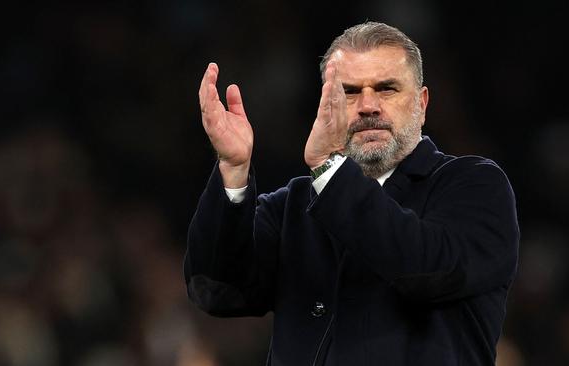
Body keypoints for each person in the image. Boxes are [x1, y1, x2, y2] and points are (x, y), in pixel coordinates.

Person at [184, 21, 519, 366]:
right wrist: (234, 169)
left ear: (421, 104)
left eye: (387, 89)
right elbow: (216, 291)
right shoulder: (292, 208)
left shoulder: (474, 186)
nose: (368, 106)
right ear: (326, 104)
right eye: (350, 91)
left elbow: (425, 270)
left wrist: (329, 170)